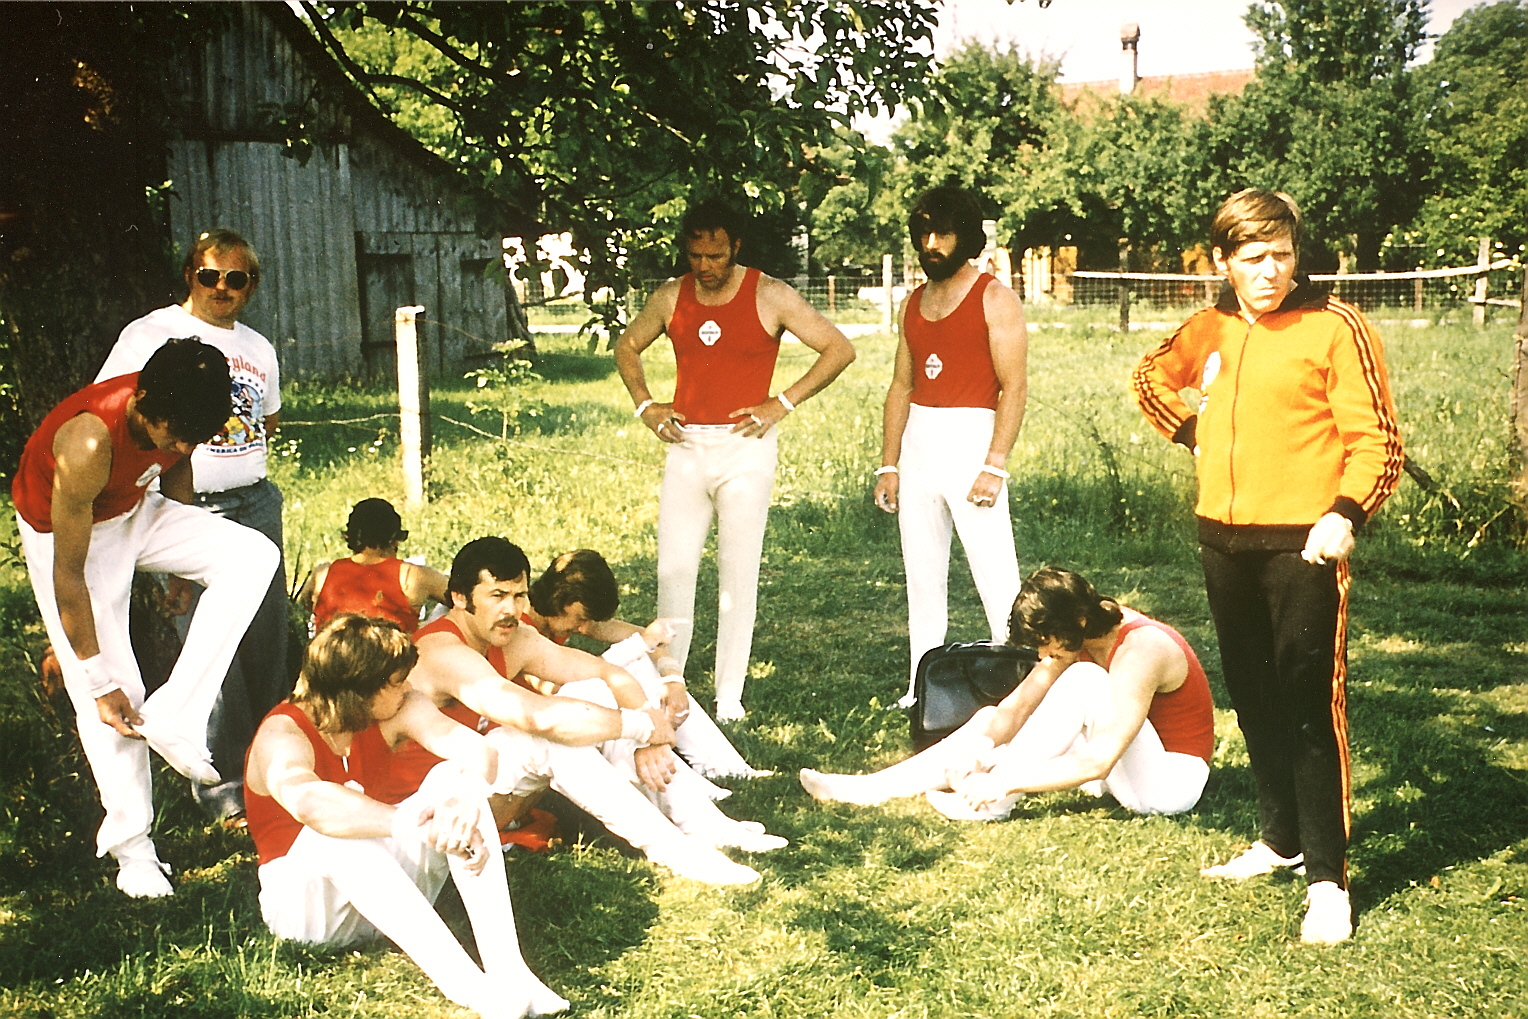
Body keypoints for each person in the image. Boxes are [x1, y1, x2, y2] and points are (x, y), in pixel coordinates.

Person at [1132, 188, 1404, 945]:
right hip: (1222, 542)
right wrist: (1191, 429)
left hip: (1304, 544)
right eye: (1253, 257)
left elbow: (1379, 440)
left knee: (1310, 706)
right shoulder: (1209, 326)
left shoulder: (1335, 326)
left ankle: (1328, 881)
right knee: (1253, 699)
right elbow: (1149, 378)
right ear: (1223, 261)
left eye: (1282, 254)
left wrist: (1345, 513)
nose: (1271, 271)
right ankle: (1281, 840)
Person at [12, 338, 279, 897]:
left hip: (133, 508)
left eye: (192, 439)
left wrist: (182, 570)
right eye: (175, 435)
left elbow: (176, 468)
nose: (181, 447)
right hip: (68, 539)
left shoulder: (180, 408)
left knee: (254, 555)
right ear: (143, 402)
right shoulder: (87, 443)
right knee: (114, 698)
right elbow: (68, 576)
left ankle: (178, 713)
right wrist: (96, 678)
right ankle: (133, 853)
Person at [245, 613, 568, 1019]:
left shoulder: (396, 707)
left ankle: (511, 973)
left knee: (451, 780)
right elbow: (312, 805)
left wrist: (465, 802)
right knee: (330, 832)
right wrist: (415, 826)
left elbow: (480, 753)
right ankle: (474, 990)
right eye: (397, 682)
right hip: (307, 912)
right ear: (360, 689)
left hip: (382, 896)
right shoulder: (282, 735)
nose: (408, 687)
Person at [398, 537, 773, 884]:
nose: (511, 609)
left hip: (478, 792)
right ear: (460, 598)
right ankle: (676, 851)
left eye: (519, 596)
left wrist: (650, 734)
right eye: (497, 596)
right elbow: (535, 715)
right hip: (427, 814)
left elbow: (608, 673)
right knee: (545, 737)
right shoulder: (444, 651)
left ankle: (702, 822)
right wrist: (642, 727)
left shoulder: (512, 638)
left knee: (592, 693)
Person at [613, 198, 856, 720]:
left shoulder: (770, 294)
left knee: (737, 572)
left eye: (716, 255)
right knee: (674, 569)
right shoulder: (671, 296)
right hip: (686, 446)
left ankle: (729, 697)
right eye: (696, 254)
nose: (705, 266)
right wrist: (645, 405)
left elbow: (838, 348)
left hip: (745, 446)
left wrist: (781, 402)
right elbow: (626, 346)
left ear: (736, 247)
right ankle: (670, 684)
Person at [95, 227, 289, 824]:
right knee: (209, 653)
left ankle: (277, 769)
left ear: (251, 285)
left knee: (266, 642)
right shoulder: (149, 334)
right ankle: (223, 790)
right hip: (185, 507)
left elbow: (267, 421)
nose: (221, 287)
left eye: (236, 278)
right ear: (189, 276)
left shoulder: (259, 347)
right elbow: (115, 410)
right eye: (210, 275)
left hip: (256, 502)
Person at [800, 567, 1213, 823]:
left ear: (1079, 621)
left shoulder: (1141, 649)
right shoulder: (1077, 634)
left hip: (1168, 787)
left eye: (1047, 643)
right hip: (1125, 770)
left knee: (1084, 679)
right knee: (987, 723)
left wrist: (1004, 781)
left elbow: (1098, 760)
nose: (1044, 655)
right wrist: (979, 751)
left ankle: (992, 804)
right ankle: (870, 789)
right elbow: (1015, 709)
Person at [873, 185, 1027, 709]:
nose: (931, 245)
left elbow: (1014, 386)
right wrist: (889, 464)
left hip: (971, 440)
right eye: (923, 235)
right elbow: (901, 385)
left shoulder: (994, 297)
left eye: (942, 234)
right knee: (921, 573)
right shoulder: (912, 302)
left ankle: (1020, 677)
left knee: (995, 572)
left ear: (966, 237)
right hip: (920, 441)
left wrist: (995, 464)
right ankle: (922, 684)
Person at [524, 549, 772, 781]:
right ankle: (682, 777)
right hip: (542, 724)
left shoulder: (564, 617)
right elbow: (556, 688)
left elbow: (650, 638)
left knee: (641, 660)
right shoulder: (522, 632)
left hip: (569, 713)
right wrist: (637, 646)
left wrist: (673, 680)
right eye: (580, 619)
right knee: (620, 671)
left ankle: (724, 766)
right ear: (558, 599)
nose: (583, 628)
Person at [299, 498, 449, 634]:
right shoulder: (413, 577)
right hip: (392, 655)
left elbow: (305, 604)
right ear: (395, 540)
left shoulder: (323, 574)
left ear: (350, 537)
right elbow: (459, 597)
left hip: (332, 654)